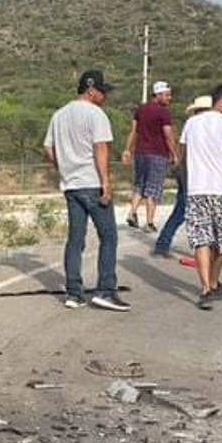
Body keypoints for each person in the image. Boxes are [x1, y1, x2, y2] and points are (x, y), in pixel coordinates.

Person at [44, 70, 131, 312]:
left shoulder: (59, 115)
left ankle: (74, 293)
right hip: (92, 183)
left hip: (71, 185)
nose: (104, 96)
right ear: (91, 90)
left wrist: (63, 168)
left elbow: (48, 148)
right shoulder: (96, 114)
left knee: (75, 239)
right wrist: (106, 183)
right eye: (102, 91)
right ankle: (105, 290)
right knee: (109, 236)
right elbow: (100, 148)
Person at [179, 85, 222, 310]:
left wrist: (187, 182)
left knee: (202, 239)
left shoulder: (190, 123)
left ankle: (206, 287)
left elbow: (182, 156)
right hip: (221, 189)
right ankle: (214, 282)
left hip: (197, 190)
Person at [153, 95, 212, 258]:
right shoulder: (207, 126)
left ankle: (163, 244)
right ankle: (211, 250)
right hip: (196, 174)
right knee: (197, 211)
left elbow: (181, 147)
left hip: (185, 172)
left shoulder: (190, 124)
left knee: (181, 209)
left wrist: (177, 166)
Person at [122, 80, 177, 232]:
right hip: (158, 154)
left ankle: (132, 212)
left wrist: (127, 149)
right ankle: (149, 222)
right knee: (154, 187)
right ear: (157, 94)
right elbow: (168, 135)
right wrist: (174, 154)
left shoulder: (140, 110)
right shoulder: (163, 112)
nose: (169, 98)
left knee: (140, 184)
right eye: (166, 95)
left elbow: (134, 131)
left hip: (140, 153)